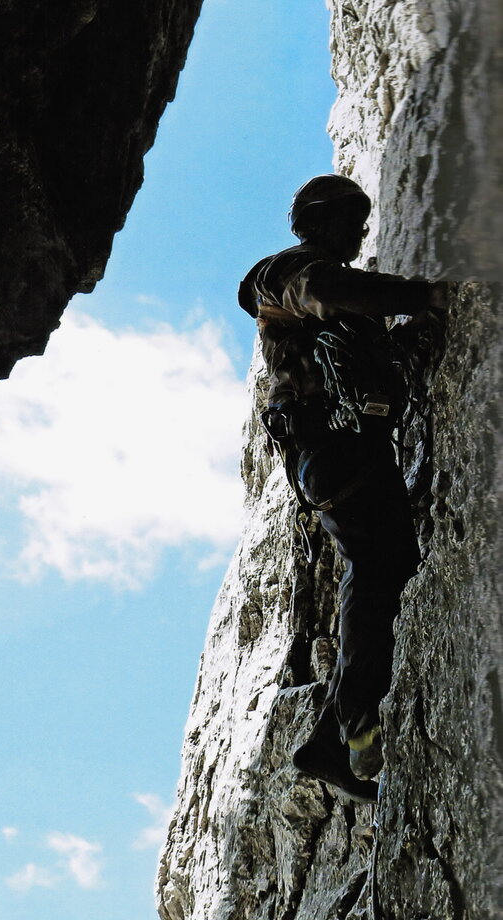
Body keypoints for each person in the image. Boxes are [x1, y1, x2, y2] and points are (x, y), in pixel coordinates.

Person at [238, 174, 445, 803]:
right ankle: (341, 732)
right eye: (351, 220)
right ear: (316, 221)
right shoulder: (287, 274)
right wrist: (425, 293)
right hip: (332, 448)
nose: (359, 234)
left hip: (351, 449)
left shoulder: (340, 305)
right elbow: (324, 291)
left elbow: (378, 346)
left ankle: (338, 734)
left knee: (388, 569)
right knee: (376, 566)